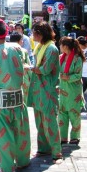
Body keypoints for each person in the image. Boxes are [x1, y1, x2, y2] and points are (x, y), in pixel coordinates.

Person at [0, 19, 31, 172]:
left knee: (3, 131)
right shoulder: (17, 47)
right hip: (18, 93)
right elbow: (26, 68)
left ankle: (7, 166)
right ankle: (23, 161)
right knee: (21, 128)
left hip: (1, 94)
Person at [29, 21, 63, 164]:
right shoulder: (40, 46)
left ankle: (57, 153)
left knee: (50, 122)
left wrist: (31, 69)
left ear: (40, 33)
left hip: (47, 89)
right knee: (39, 122)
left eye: (34, 33)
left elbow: (45, 69)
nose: (32, 36)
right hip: (38, 89)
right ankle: (43, 148)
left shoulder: (51, 49)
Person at [58, 37, 85, 145]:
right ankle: (63, 137)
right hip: (62, 89)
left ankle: (75, 136)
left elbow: (78, 75)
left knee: (74, 114)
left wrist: (67, 77)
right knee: (62, 114)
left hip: (73, 90)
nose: (59, 47)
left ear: (65, 46)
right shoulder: (60, 57)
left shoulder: (77, 59)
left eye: (60, 45)